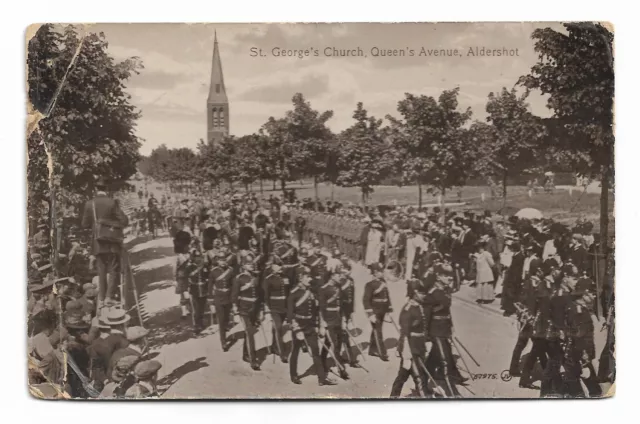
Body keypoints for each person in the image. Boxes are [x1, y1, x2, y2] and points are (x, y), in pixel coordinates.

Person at [81, 177, 128, 310]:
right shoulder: (112, 203)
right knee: (113, 269)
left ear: (96, 189)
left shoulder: (90, 204)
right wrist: (112, 225)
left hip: (97, 242)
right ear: (106, 189)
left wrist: (97, 224)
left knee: (101, 270)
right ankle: (109, 297)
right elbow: (124, 221)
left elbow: (84, 224)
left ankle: (101, 298)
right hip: (112, 242)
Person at [288, 266, 335, 386]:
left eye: (309, 277)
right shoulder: (294, 293)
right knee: (295, 351)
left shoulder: (312, 292)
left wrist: (319, 326)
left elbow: (316, 311)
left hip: (310, 326)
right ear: (300, 278)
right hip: (298, 326)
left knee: (315, 351)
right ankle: (294, 375)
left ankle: (321, 378)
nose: (309, 279)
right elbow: (290, 314)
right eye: (307, 277)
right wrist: (296, 329)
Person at [390, 278, 433, 398]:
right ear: (414, 293)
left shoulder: (419, 306)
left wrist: (426, 343)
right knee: (419, 376)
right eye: (421, 293)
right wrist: (406, 353)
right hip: (411, 349)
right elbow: (405, 334)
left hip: (419, 346)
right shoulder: (408, 310)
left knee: (404, 375)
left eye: (424, 293)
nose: (424, 295)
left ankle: (393, 397)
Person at [318, 269, 350, 381]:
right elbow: (321, 308)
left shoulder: (339, 288)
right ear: (332, 276)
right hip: (328, 320)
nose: (340, 277)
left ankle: (321, 360)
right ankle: (341, 369)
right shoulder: (323, 290)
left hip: (338, 319)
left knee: (332, 342)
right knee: (334, 344)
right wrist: (322, 323)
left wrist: (344, 320)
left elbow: (341, 306)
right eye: (338, 275)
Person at [231, 261, 261, 371]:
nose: (251, 265)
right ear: (244, 266)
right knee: (250, 332)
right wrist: (234, 307)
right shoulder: (239, 278)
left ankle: (245, 354)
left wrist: (260, 309)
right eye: (248, 263)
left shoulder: (256, 276)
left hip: (254, 308)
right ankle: (253, 361)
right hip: (244, 308)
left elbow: (259, 294)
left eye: (252, 263)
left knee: (248, 333)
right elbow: (234, 294)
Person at [363, 263, 392, 361]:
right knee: (378, 331)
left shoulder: (383, 282)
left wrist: (389, 309)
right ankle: (382, 353)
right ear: (375, 272)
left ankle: (372, 350)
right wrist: (370, 314)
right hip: (375, 311)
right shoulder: (369, 285)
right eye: (380, 271)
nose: (382, 273)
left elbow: (387, 296)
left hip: (382, 310)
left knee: (376, 330)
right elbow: (366, 300)